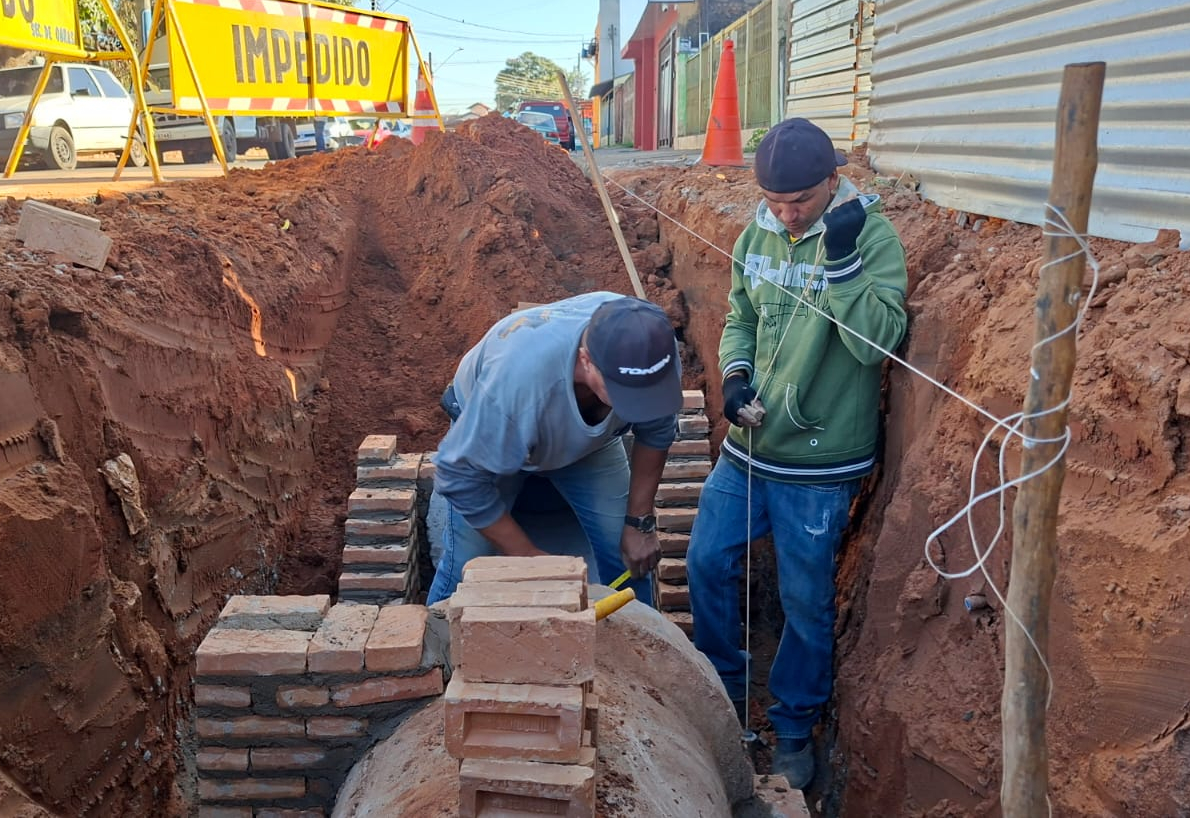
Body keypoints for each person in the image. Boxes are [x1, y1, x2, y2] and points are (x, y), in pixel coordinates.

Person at [686, 117, 908, 789]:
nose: (785, 214)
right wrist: (733, 377)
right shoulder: (757, 231)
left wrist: (839, 261)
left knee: (805, 601)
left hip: (819, 463)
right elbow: (741, 317)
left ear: (832, 183)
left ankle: (792, 728)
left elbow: (877, 343)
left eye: (800, 203)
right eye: (775, 202)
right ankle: (722, 694)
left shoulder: (870, 237)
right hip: (751, 449)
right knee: (706, 560)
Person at [425, 292, 683, 607]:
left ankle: (639, 648)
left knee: (628, 549)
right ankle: (437, 647)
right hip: (495, 438)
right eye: (628, 395)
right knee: (467, 562)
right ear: (586, 361)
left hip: (590, 446)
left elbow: (656, 431)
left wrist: (639, 522)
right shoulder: (517, 384)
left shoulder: (650, 348)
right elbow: (458, 479)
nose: (643, 404)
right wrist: (529, 557)